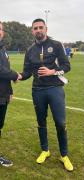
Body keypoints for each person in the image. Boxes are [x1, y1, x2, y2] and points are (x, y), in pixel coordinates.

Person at [19, 18, 73, 171]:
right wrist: (17, 76)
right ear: (32, 31)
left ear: (46, 29)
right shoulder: (30, 50)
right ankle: (45, 150)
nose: (38, 30)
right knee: (41, 122)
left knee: (60, 123)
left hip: (55, 88)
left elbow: (67, 66)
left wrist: (52, 71)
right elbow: (27, 72)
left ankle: (64, 155)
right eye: (35, 28)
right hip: (37, 91)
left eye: (41, 27)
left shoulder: (56, 45)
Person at [0, 21, 20, 167]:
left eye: (0, 29)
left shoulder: (3, 49)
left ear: (3, 33)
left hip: (2, 94)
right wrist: (15, 75)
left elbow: (5, 71)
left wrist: (10, 91)